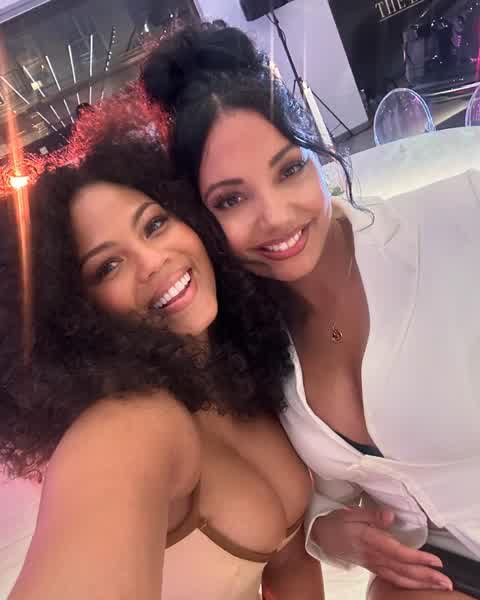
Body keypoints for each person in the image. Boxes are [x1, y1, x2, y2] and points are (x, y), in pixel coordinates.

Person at [142, 23, 480, 600]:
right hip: (444, 573)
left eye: (290, 169)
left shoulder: (456, 216)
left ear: (319, 157)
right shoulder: (249, 344)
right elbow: (325, 487)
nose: (275, 216)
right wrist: (329, 531)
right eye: (231, 199)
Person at [0, 131, 323, 600]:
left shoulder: (243, 370)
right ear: (73, 313)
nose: (152, 260)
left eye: (153, 225)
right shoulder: (132, 426)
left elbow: (291, 566)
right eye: (108, 266)